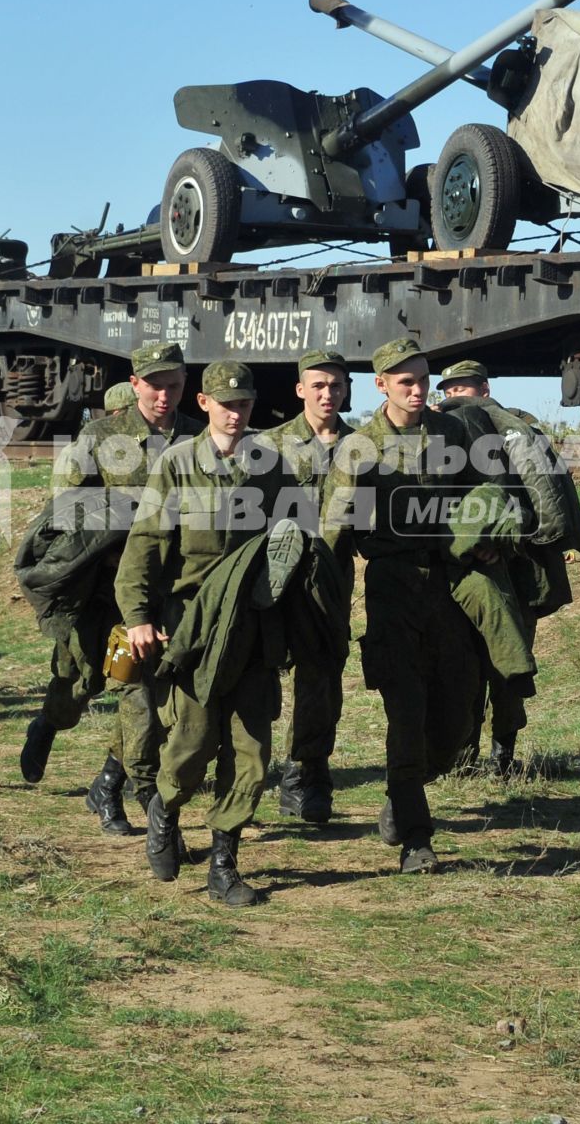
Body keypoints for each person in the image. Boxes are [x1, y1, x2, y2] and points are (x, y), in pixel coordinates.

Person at [115, 360, 290, 905]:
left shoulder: (271, 467)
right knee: (190, 743)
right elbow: (144, 546)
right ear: (205, 405)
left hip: (252, 628)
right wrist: (139, 618)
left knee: (250, 749)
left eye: (244, 404)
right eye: (226, 404)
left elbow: (294, 544)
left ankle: (224, 864)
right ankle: (164, 813)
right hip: (189, 626)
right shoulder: (177, 465)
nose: (236, 414)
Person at [21, 342, 201, 835]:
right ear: (137, 384)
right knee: (80, 684)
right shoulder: (100, 436)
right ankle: (48, 724)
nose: (166, 396)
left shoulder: (196, 439)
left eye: (175, 385)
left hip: (154, 595)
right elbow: (66, 512)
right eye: (156, 385)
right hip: (97, 588)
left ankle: (115, 786)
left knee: (137, 690)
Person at [321, 338, 486, 874]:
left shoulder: (452, 432)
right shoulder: (360, 446)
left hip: (450, 585)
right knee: (406, 711)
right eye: (405, 382)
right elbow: (334, 526)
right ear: (382, 386)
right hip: (391, 585)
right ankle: (418, 836)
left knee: (458, 716)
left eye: (422, 380)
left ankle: (402, 786)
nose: (417, 391)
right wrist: (323, 598)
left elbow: (479, 495)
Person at [435, 359, 580, 776]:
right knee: (471, 663)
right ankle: (467, 756)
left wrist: (496, 543)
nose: (454, 398)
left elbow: (541, 508)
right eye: (448, 391)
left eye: (462, 389)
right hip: (484, 568)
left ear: (484, 390)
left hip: (519, 569)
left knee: (506, 665)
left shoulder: (512, 430)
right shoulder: (477, 430)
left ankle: (501, 756)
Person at [254, 349, 354, 823]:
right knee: (256, 674)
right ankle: (243, 772)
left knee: (320, 678)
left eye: (335, 385)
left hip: (328, 582)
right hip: (272, 579)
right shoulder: (268, 445)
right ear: (299, 390)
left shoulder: (364, 445)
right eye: (317, 385)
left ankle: (306, 774)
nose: (327, 394)